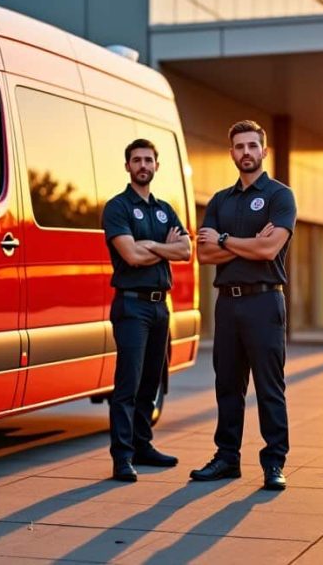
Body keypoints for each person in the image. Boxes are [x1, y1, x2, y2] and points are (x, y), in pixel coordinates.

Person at [191, 120, 296, 492]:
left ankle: (274, 463)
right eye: (239, 147)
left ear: (263, 151)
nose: (246, 153)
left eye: (253, 146)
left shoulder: (280, 196)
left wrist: (224, 240)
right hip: (228, 305)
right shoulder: (221, 200)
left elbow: (269, 249)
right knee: (228, 385)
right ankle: (226, 458)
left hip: (265, 302)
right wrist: (244, 241)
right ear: (232, 152)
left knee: (270, 386)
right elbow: (204, 255)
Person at [102, 138, 192, 482]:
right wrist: (163, 246)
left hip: (160, 307)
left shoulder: (165, 209)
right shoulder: (118, 208)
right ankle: (122, 458)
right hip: (131, 305)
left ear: (157, 165)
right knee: (128, 383)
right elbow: (131, 256)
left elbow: (185, 250)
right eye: (137, 160)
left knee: (151, 382)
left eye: (148, 160)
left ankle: (143, 446)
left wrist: (151, 245)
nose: (143, 165)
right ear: (127, 166)